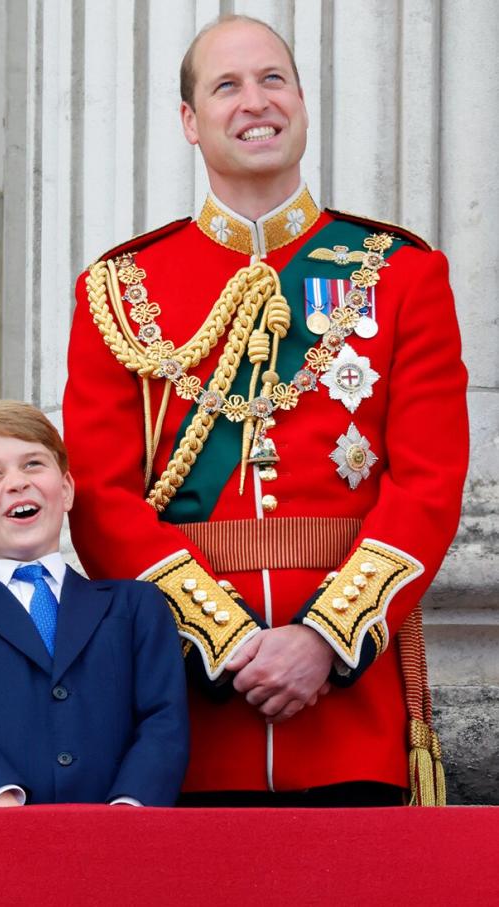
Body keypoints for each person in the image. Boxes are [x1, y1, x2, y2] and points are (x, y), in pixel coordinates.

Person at [63, 15, 468, 805]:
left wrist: (324, 637)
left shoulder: (402, 275)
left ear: (304, 103)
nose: (256, 101)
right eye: (227, 85)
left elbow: (428, 486)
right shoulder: (120, 289)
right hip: (184, 720)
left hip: (349, 715)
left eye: (273, 78)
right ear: (190, 121)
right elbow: (102, 499)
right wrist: (227, 642)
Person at [0, 401, 188, 807]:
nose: (17, 483)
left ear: (66, 489)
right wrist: (2, 802)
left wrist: (128, 808)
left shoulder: (136, 606)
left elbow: (164, 720)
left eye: (33, 464)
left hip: (119, 837)